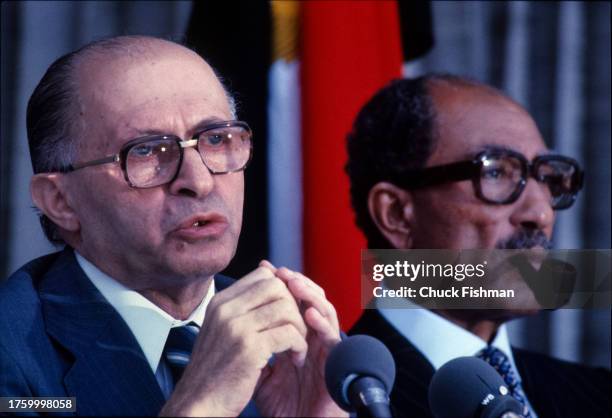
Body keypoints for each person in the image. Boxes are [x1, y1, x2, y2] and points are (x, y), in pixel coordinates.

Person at [0, 35, 346, 418]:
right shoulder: (12, 355)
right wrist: (201, 406)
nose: (199, 181)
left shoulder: (295, 341)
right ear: (61, 202)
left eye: (216, 139)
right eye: (146, 150)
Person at [346, 75, 611, 418]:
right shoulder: (327, 403)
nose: (541, 213)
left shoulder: (597, 396)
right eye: (496, 173)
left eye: (546, 177)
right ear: (396, 213)